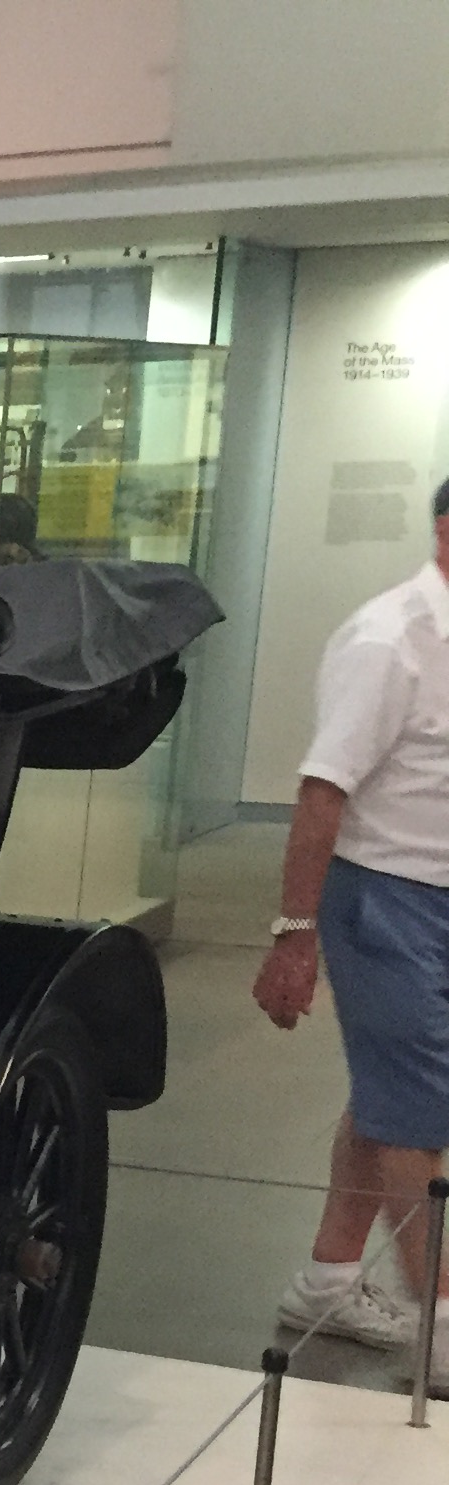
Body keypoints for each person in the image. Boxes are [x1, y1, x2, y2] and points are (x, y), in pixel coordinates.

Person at [258, 475, 449, 1353]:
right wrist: (294, 935)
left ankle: (329, 1281)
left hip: (438, 898)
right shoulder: (388, 640)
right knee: (420, 1116)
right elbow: (321, 792)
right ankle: (443, 1323)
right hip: (383, 898)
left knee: (391, 1096)